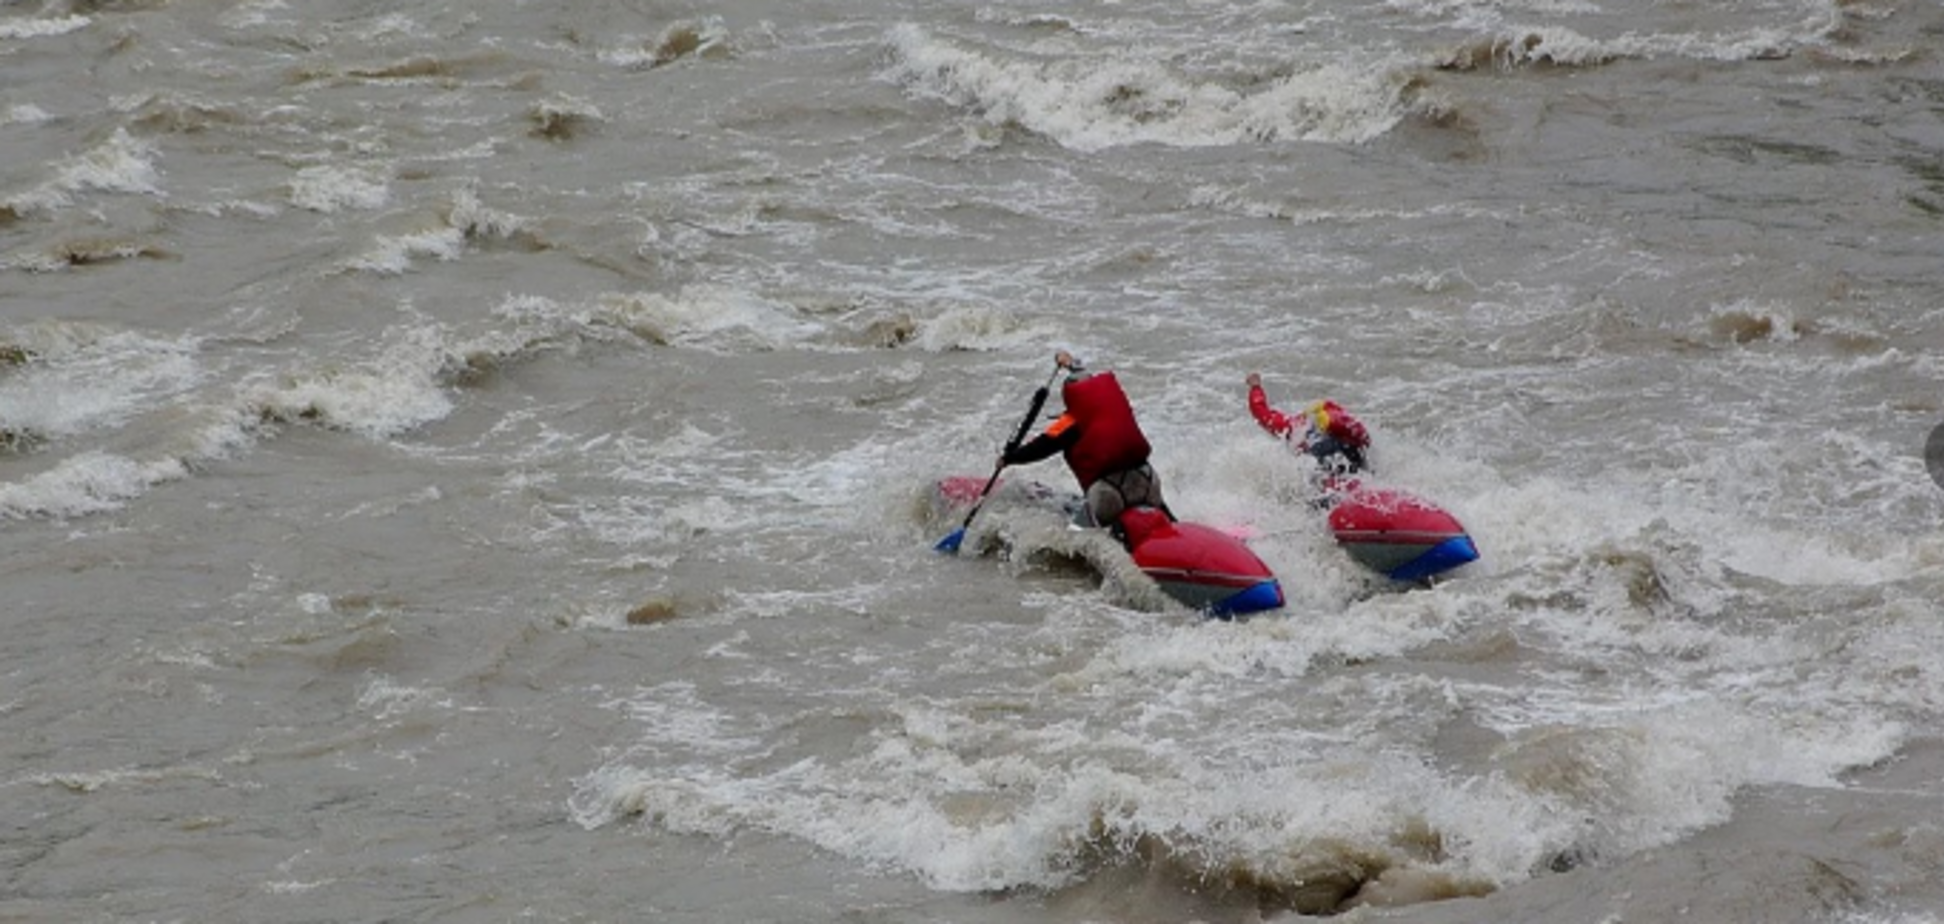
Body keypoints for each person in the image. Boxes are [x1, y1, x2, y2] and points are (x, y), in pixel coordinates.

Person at [1001, 350, 1170, 531]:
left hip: (1109, 492)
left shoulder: (1072, 421)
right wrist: (1070, 363)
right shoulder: (1113, 403)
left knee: (1074, 539)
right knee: (1168, 528)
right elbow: (1082, 373)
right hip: (1148, 482)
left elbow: (1042, 447)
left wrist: (1008, 459)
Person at [1244, 372, 1371, 476]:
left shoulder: (1291, 427)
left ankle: (1349, 478)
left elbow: (1261, 413)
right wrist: (1256, 387)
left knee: (1318, 464)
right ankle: (1365, 475)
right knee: (1352, 459)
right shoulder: (1298, 424)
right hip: (1344, 444)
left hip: (1331, 446)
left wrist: (1255, 387)